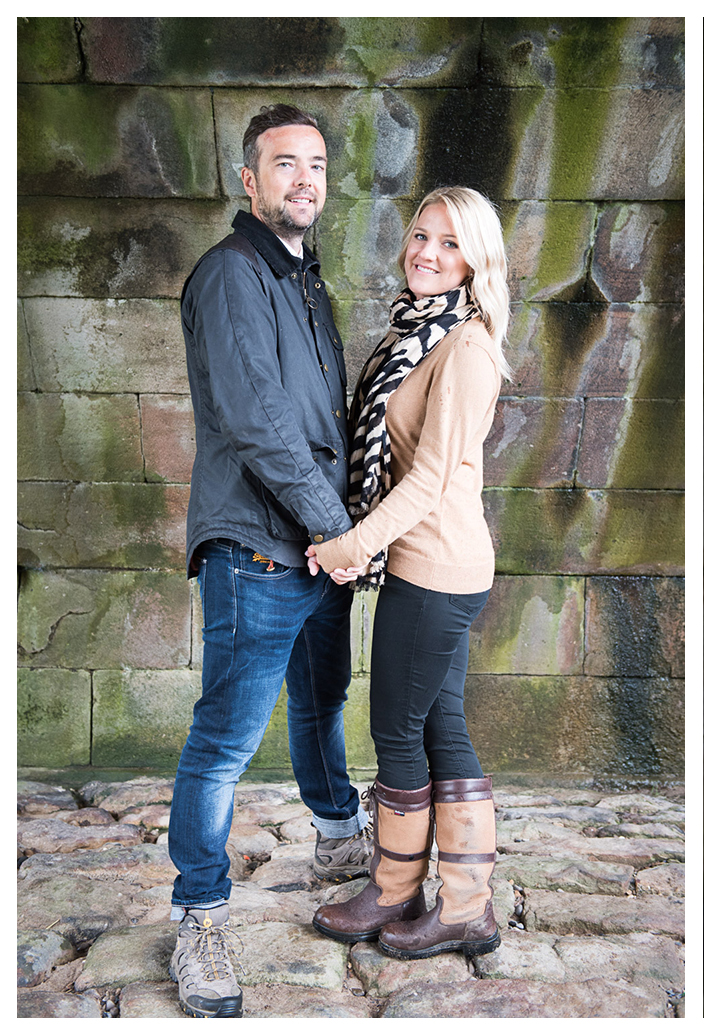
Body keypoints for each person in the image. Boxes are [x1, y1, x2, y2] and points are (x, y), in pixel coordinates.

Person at [170, 102, 371, 1018]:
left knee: (322, 705)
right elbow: (257, 422)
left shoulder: (305, 284)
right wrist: (339, 531)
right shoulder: (230, 275)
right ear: (248, 181)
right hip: (258, 548)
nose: (304, 179)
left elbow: (321, 424)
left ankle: (338, 839)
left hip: (318, 548)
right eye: (285, 164)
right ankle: (199, 915)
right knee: (223, 744)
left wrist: (339, 533)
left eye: (317, 165)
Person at [304, 185, 514, 962]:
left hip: (435, 567)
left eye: (449, 244)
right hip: (431, 562)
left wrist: (351, 546)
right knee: (440, 728)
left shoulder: (464, 348)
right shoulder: (417, 334)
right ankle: (459, 907)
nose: (426, 253)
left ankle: (400, 893)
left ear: (476, 261)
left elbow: (426, 480)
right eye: (421, 236)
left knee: (397, 727)